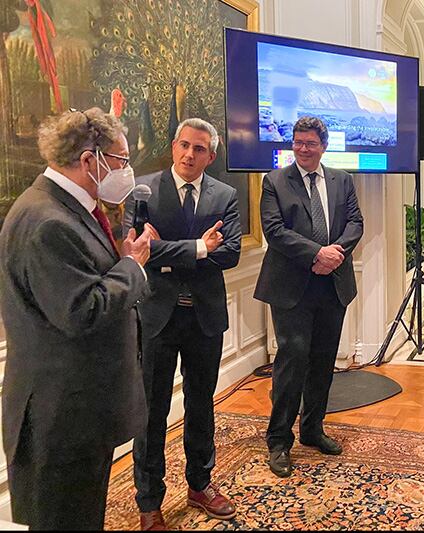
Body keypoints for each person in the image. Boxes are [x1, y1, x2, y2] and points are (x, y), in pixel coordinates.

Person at [0, 108, 154, 530]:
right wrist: (133, 266)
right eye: (121, 161)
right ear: (90, 161)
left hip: (81, 409)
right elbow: (82, 310)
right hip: (62, 416)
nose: (127, 171)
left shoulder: (65, 207)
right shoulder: (48, 221)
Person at [127, 118, 242, 529]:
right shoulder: (142, 191)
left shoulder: (226, 194)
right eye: (184, 146)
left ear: (211, 156)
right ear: (174, 147)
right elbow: (138, 250)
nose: (190, 154)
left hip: (205, 316)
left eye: (199, 149)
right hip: (157, 315)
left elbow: (229, 255)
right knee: (152, 411)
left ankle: (200, 484)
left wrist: (165, 250)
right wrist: (197, 248)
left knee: (201, 403)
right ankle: (149, 500)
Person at [254, 116, 363, 479]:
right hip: (291, 287)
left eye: (310, 143)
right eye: (298, 142)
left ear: (323, 146)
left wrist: (335, 253)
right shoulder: (274, 181)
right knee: (292, 360)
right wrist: (317, 254)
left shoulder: (342, 180)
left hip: (333, 284)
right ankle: (279, 440)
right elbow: (274, 231)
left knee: (323, 361)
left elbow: (355, 224)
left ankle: (313, 430)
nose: (302, 148)